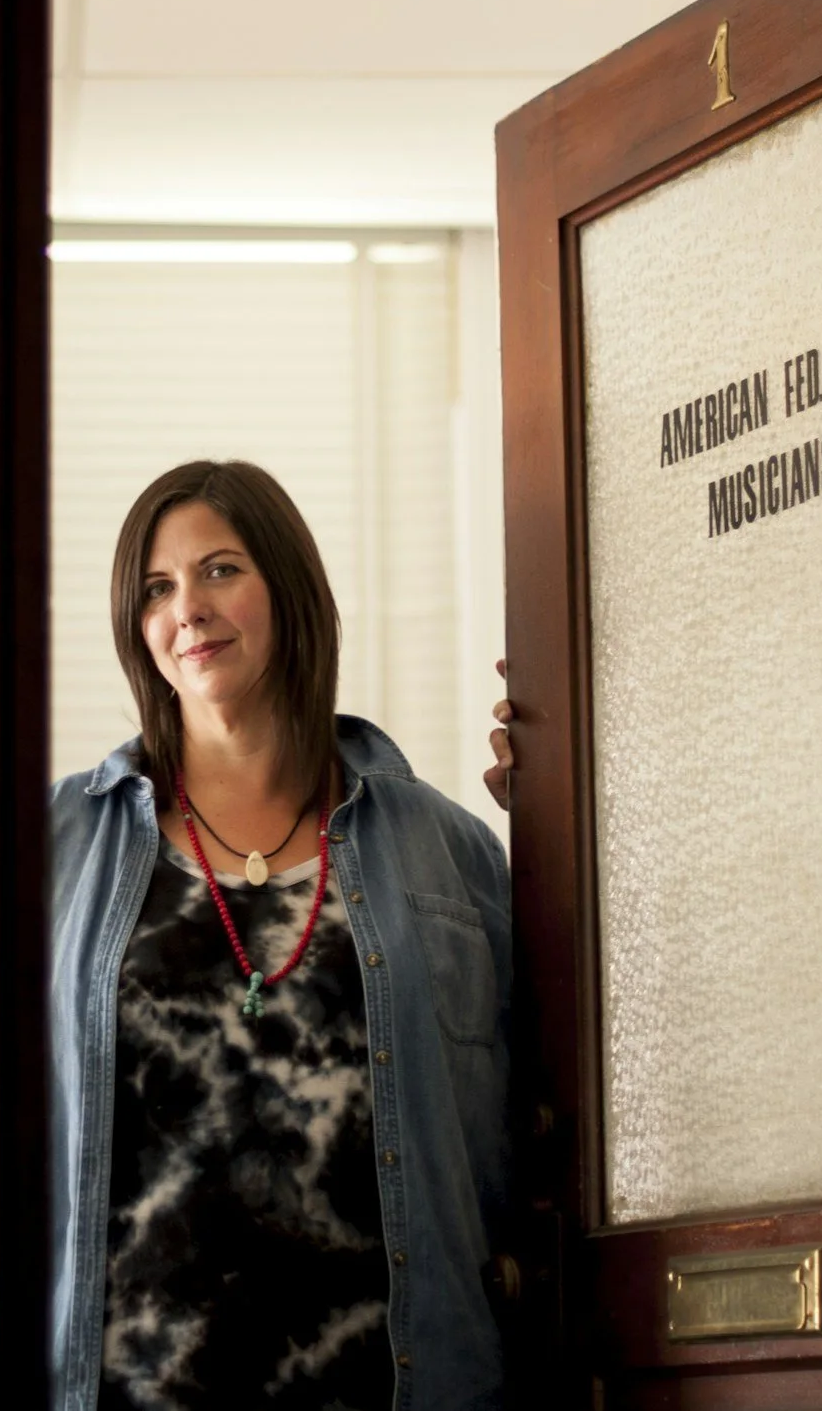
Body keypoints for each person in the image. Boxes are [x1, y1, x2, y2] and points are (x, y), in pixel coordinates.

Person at [49, 460, 512, 1411]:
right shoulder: (56, 848)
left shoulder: (450, 851)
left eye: (220, 570)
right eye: (157, 587)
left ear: (289, 590)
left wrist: (570, 815)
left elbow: (532, 1139)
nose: (188, 609)